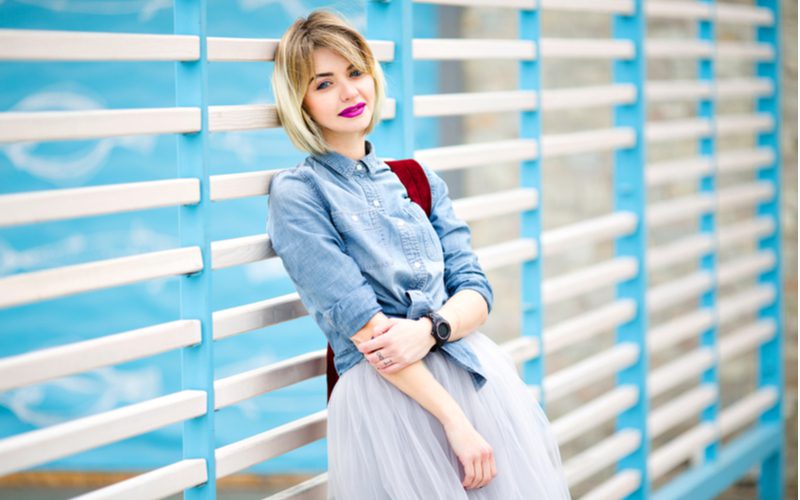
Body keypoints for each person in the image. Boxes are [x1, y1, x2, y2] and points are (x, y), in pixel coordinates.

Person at [267, 8, 571, 499]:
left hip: (474, 377)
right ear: (298, 100)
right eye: (323, 84)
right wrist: (455, 422)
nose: (349, 93)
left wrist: (432, 329)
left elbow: (475, 289)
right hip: (391, 398)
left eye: (355, 72)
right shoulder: (299, 193)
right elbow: (363, 326)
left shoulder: (417, 178)